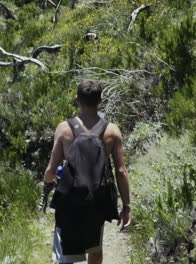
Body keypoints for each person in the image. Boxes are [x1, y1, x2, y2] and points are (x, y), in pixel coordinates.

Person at [44, 80, 131, 264]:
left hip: (69, 200)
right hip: (97, 200)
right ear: (100, 100)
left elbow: (50, 171)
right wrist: (126, 206)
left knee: (65, 252)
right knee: (95, 248)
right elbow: (121, 171)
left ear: (77, 99)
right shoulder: (112, 131)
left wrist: (50, 182)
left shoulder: (64, 129)